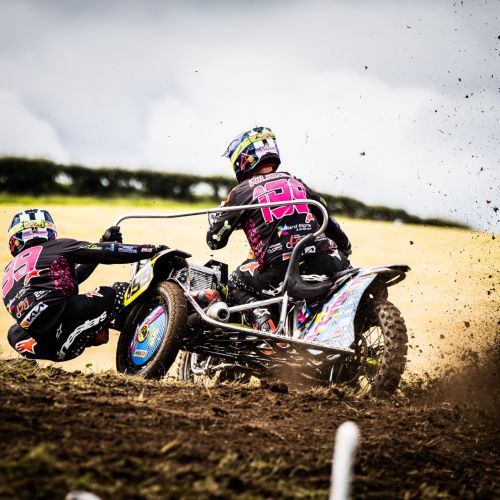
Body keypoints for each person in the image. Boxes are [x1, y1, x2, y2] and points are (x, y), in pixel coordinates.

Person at [207, 126, 352, 332]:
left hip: (280, 272)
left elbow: (214, 241)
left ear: (242, 158)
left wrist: (218, 220)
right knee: (346, 266)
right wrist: (346, 246)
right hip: (326, 262)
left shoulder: (240, 192)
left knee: (233, 282)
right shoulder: (295, 181)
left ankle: (264, 321)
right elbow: (328, 219)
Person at [2, 208, 167, 362]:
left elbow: (70, 278)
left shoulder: (8, 271)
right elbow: (108, 252)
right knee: (119, 290)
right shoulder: (58, 246)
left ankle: (88, 334)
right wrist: (154, 250)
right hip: (66, 316)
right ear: (49, 231)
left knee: (13, 332)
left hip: (48, 345)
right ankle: (146, 328)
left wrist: (103, 242)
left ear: (14, 240)